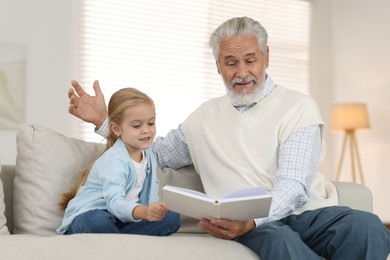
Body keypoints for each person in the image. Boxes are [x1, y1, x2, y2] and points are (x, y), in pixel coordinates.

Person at [67, 17, 390, 259]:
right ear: (218, 65)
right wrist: (104, 120)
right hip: (246, 224)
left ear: (266, 57)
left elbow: (293, 186)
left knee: (367, 227)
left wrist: (254, 219)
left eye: (250, 59)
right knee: (280, 242)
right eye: (230, 62)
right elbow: (155, 153)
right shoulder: (202, 118)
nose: (241, 72)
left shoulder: (298, 107)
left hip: (309, 212)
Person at [57, 87, 180, 236]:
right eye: (137, 125)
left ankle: (117, 240)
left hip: (121, 220)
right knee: (97, 221)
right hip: (91, 216)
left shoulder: (149, 156)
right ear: (116, 129)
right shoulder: (115, 160)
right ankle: (119, 241)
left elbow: (150, 195)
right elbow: (115, 203)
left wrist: (153, 211)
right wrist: (144, 212)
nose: (146, 130)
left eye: (151, 123)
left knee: (171, 217)